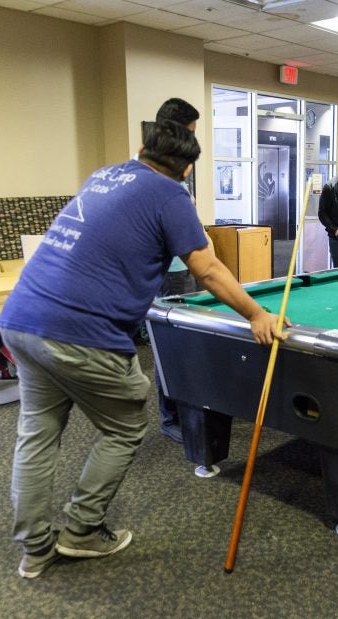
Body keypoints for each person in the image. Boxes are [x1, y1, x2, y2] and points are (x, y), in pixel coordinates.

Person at [0, 120, 286, 579]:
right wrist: (255, 314)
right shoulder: (171, 195)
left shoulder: (102, 175)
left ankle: (34, 550)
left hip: (19, 320)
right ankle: (82, 531)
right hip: (80, 332)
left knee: (38, 434)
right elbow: (206, 267)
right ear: (187, 169)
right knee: (125, 428)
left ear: (140, 149)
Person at [151, 97, 200, 443]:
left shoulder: (175, 176)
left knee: (188, 343)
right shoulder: (153, 179)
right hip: (166, 272)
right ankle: (170, 418)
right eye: (191, 133)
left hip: (182, 270)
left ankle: (190, 410)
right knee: (167, 344)